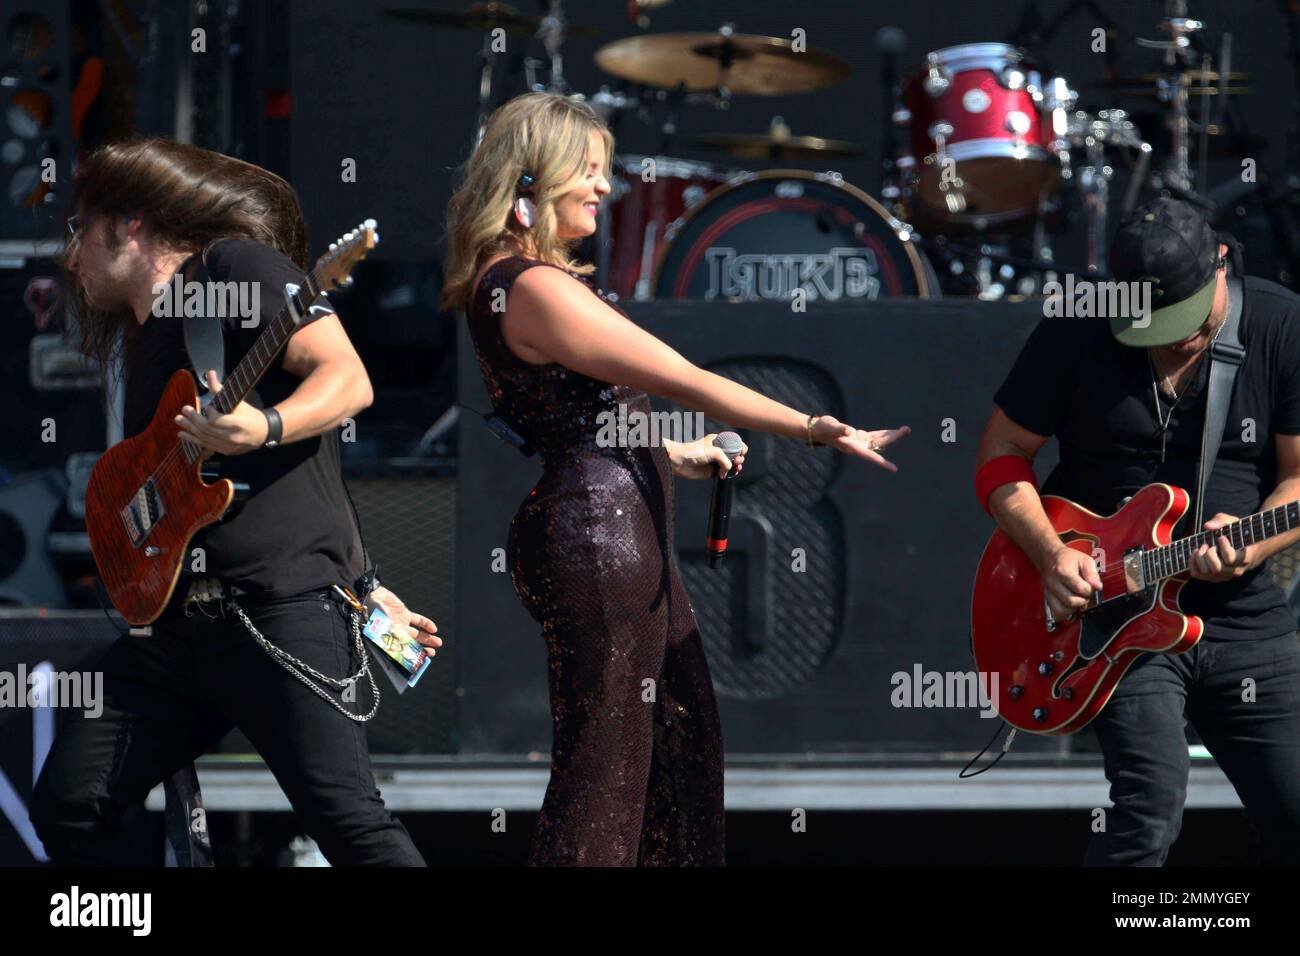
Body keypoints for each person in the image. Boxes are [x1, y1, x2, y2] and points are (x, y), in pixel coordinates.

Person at [441, 92, 910, 865]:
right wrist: (814, 426)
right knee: (608, 777)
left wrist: (672, 453)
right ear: (530, 183)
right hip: (600, 541)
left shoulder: (507, 285)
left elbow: (573, 419)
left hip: (596, 526)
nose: (605, 187)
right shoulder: (531, 286)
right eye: (586, 172)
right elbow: (687, 377)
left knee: (671, 756)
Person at [32, 137, 440, 866]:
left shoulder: (233, 268)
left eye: (76, 231)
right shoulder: (145, 339)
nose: (68, 258)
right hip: (175, 633)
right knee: (72, 802)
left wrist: (265, 425)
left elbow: (348, 379)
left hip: (273, 608)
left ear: (128, 224)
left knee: (352, 827)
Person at [976, 197, 1300, 865]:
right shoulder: (1077, 327)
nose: (1166, 340)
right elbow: (1001, 454)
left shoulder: (1278, 322)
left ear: (1220, 264)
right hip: (1114, 617)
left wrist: (1252, 545)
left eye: (1181, 323)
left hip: (1241, 619)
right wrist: (1048, 553)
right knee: (1146, 815)